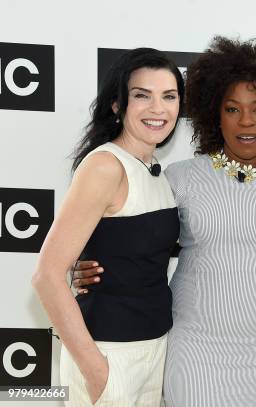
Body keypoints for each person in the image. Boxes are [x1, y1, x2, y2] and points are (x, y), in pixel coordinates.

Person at [73, 37, 256, 406]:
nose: (246, 121)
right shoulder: (179, 178)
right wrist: (83, 266)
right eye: (232, 109)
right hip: (194, 344)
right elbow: (135, 243)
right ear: (214, 114)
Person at [32, 48, 184, 406]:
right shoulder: (105, 166)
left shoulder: (153, 170)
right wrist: (96, 371)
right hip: (111, 356)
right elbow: (47, 276)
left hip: (153, 351)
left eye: (169, 96)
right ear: (117, 104)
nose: (158, 109)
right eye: (142, 96)